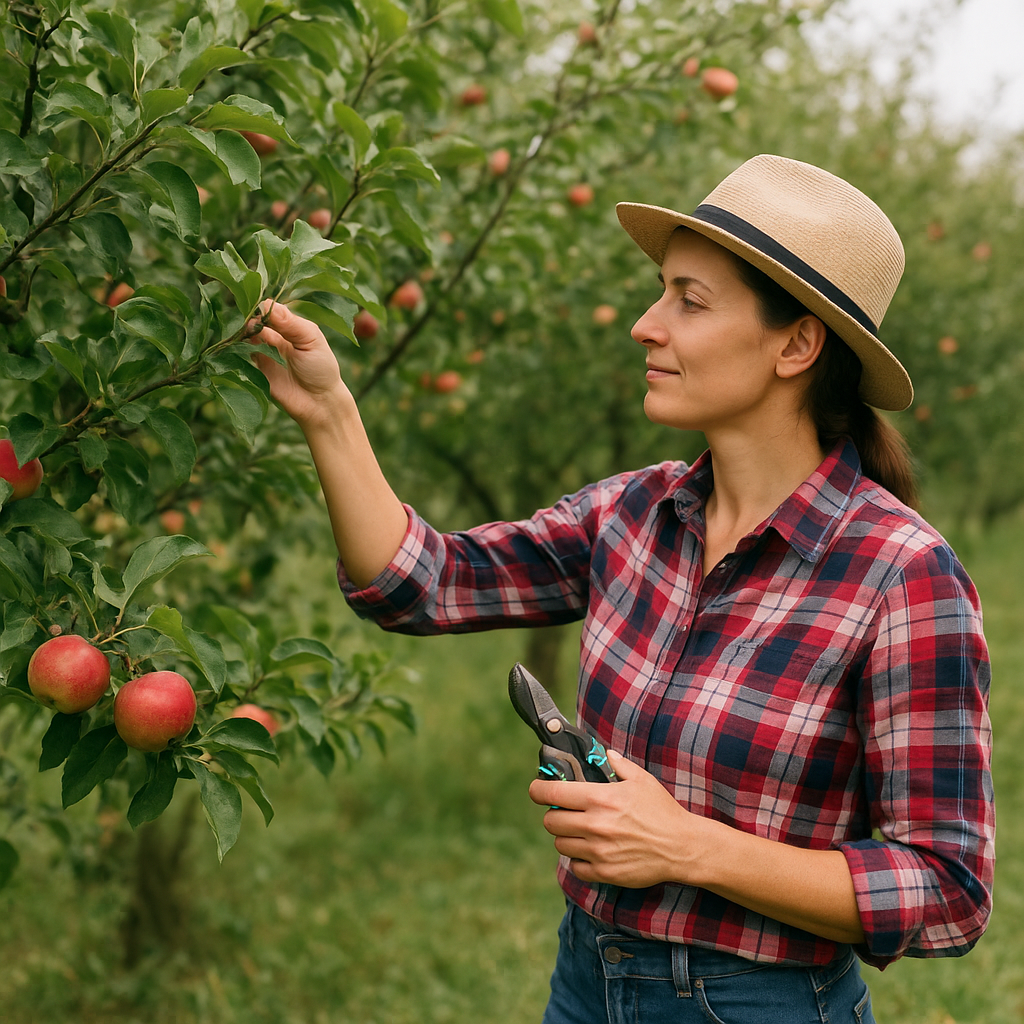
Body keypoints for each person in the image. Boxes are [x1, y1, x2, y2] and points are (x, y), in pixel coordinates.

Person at [250, 154, 994, 1024]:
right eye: (659, 292)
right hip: (587, 980)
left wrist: (688, 848)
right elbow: (423, 583)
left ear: (796, 344)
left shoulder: (900, 573)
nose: (646, 325)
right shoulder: (632, 516)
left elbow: (946, 891)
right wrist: (330, 411)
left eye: (689, 300)